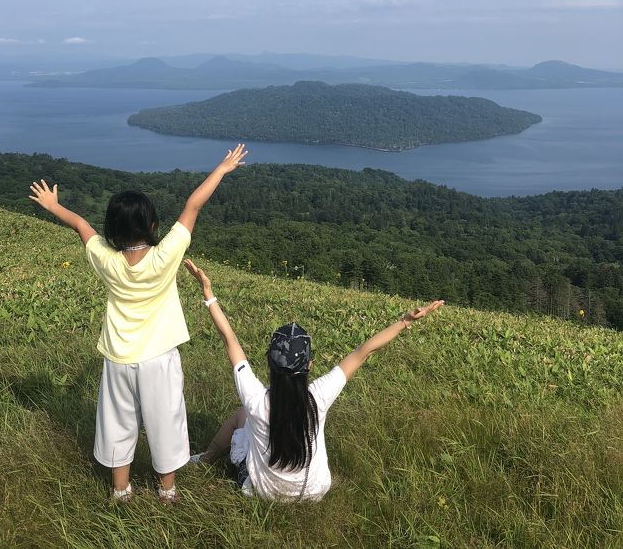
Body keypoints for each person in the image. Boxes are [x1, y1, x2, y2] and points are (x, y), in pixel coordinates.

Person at [28, 144, 248, 503]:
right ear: (152, 225)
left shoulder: (105, 259)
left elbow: (81, 226)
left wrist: (53, 207)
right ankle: (167, 490)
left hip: (118, 356)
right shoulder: (165, 256)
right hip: (159, 357)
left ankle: (120, 491)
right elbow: (193, 205)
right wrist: (222, 169)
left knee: (117, 424)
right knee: (166, 421)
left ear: (111, 230)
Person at [185, 259, 444, 501]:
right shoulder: (318, 397)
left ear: (269, 362)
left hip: (265, 492)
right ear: (309, 365)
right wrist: (406, 321)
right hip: (314, 490)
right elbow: (363, 353)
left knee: (240, 417)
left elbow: (229, 338)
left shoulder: (255, 398)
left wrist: (208, 293)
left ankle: (206, 459)